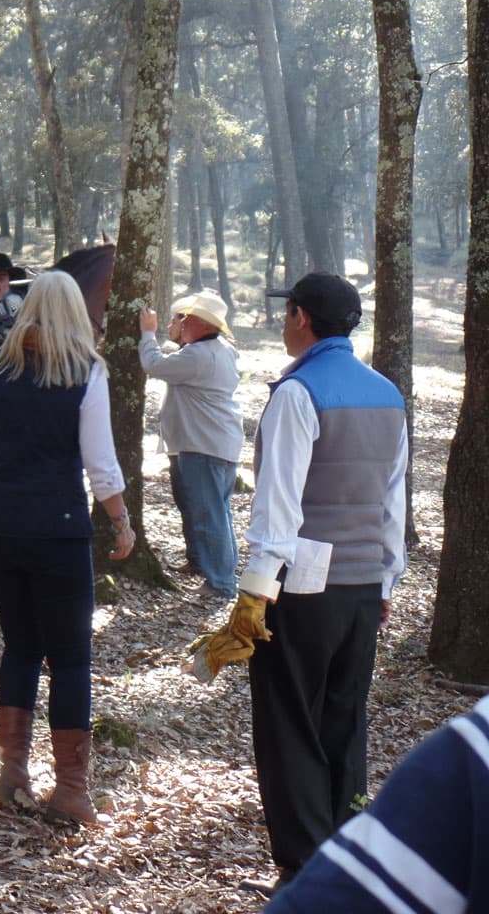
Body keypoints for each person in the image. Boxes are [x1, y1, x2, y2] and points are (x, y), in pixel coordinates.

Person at [191, 272, 407, 895]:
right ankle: (348, 850)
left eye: (288, 314)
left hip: (303, 585)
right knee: (344, 715)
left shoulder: (297, 392)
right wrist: (387, 580)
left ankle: (306, 867)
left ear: (303, 318)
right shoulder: (388, 394)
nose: (285, 324)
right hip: (366, 583)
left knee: (289, 722)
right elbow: (393, 503)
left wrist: (254, 593)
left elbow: (277, 507)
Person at [0, 269, 135, 825]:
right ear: (76, 313)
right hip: (58, 530)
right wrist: (120, 520)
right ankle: (70, 791)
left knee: (21, 646)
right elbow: (101, 463)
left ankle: (12, 775)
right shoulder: (86, 374)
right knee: (70, 658)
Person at [265, 694, 489, 913]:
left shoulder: (470, 761)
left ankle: (307, 857)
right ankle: (334, 838)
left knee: (293, 713)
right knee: (343, 709)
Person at [138, 291, 244, 597]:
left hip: (204, 446)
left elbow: (153, 364)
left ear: (200, 323)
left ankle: (221, 583)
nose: (182, 324)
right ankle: (221, 575)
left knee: (210, 515)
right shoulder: (218, 350)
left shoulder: (199, 355)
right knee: (218, 513)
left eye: (186, 318)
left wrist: (147, 332)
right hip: (216, 444)